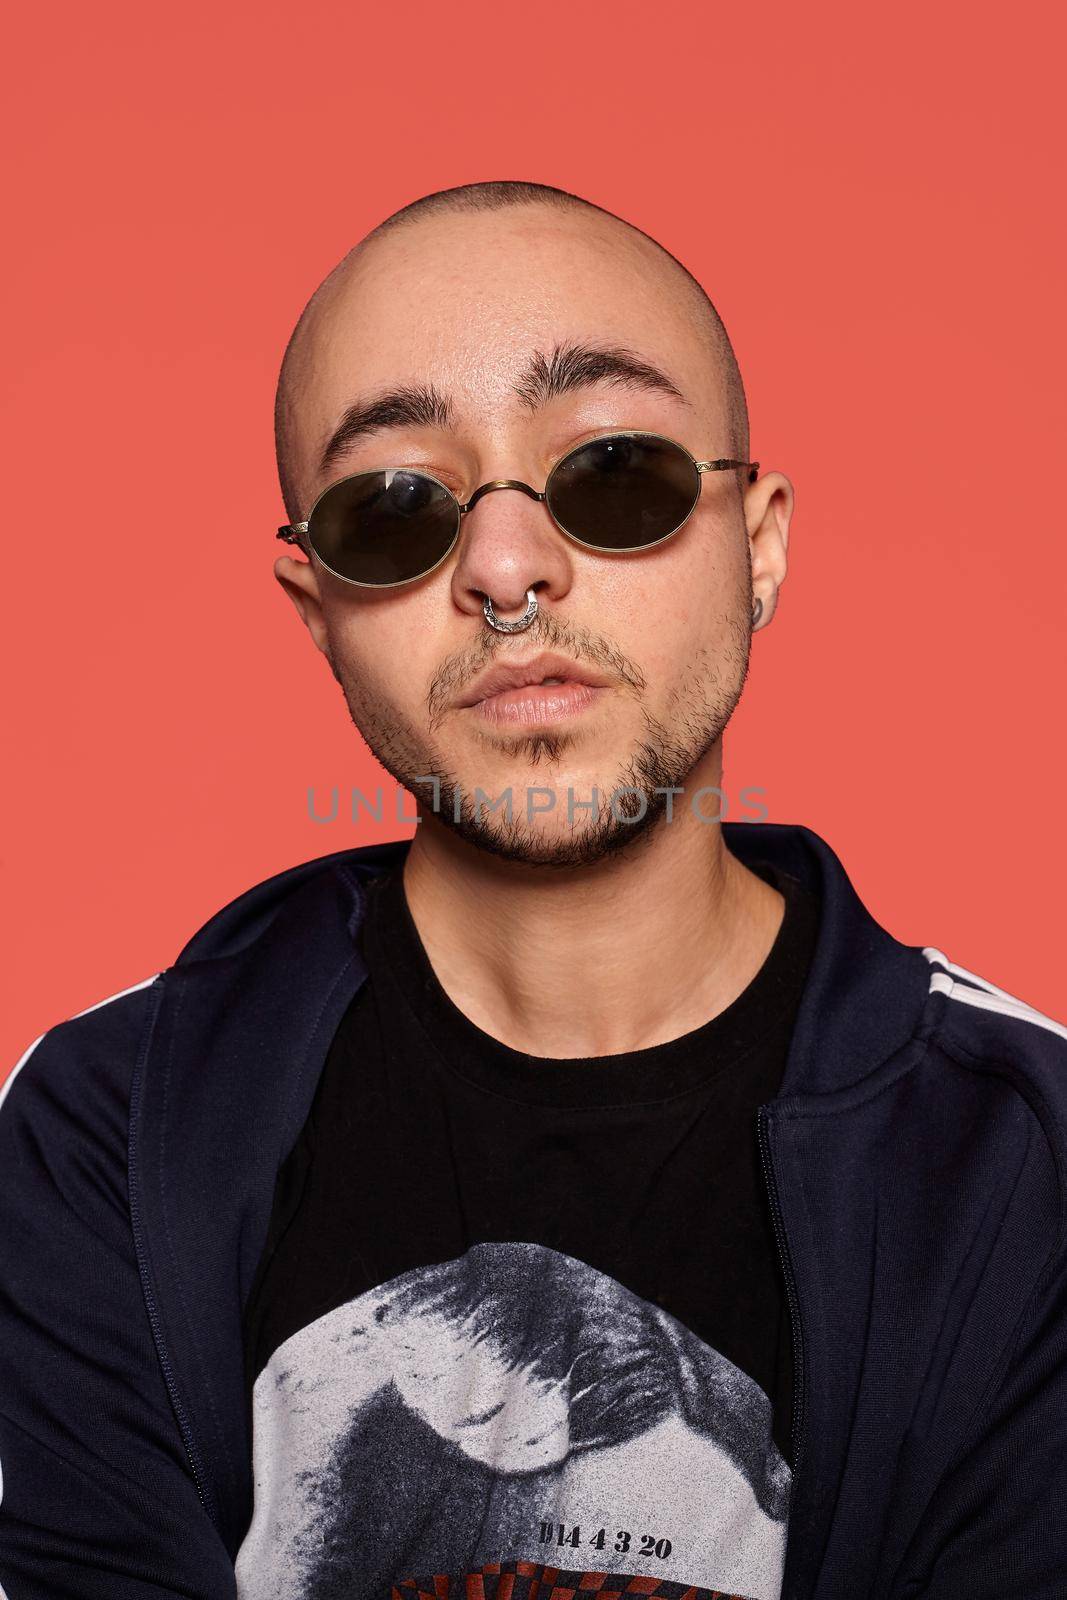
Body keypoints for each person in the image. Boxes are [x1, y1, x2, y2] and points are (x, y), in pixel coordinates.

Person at [1, 181, 1064, 1600]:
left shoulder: (1027, 1164)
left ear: (759, 544)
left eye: (614, 469)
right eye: (395, 509)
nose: (507, 571)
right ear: (318, 606)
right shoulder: (108, 1134)